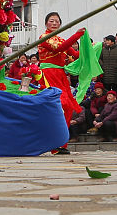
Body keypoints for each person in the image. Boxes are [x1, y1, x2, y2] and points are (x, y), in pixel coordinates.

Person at [34, 11, 86, 155]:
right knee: (59, 105)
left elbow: (75, 55)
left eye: (57, 21)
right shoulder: (44, 37)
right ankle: (51, 142)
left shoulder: (61, 39)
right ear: (46, 23)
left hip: (61, 75)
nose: (54, 23)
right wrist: (76, 36)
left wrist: (89, 48)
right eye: (51, 21)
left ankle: (60, 144)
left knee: (68, 107)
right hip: (48, 75)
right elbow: (58, 49)